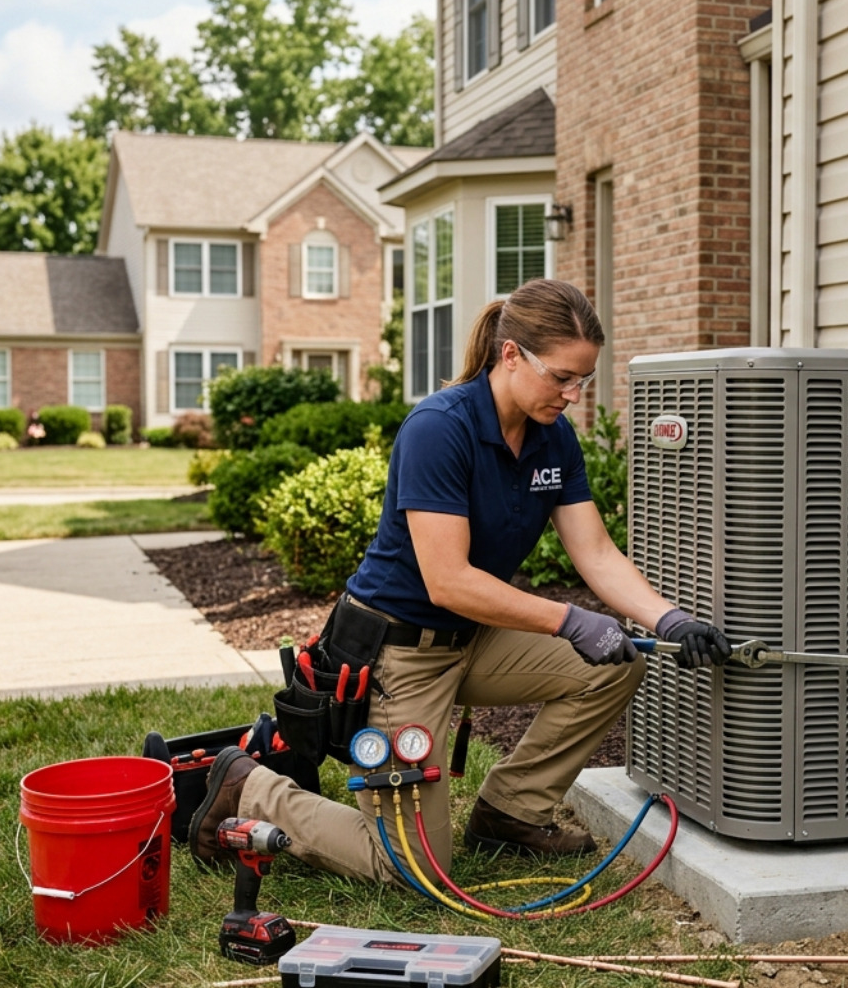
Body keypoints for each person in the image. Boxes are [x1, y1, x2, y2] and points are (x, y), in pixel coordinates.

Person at [189, 277, 730, 885]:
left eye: (584, 379)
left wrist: (669, 619)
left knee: (616, 663)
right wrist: (569, 619)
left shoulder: (553, 438)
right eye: (561, 377)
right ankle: (251, 787)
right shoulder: (438, 428)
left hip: (471, 641)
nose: (574, 394)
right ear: (509, 356)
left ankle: (510, 812)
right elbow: (447, 581)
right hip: (397, 656)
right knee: (411, 870)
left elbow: (597, 553)